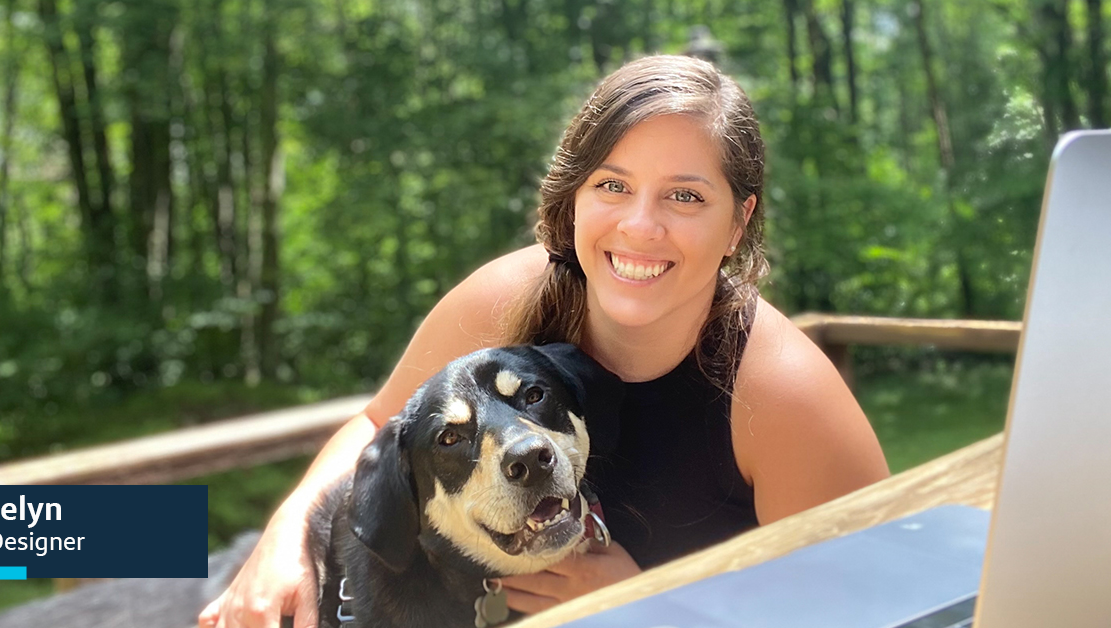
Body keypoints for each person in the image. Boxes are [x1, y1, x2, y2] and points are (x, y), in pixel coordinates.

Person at [199, 54, 889, 628]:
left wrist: (651, 609)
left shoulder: (781, 395)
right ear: (573, 198)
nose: (640, 227)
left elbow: (879, 603)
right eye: (612, 185)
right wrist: (282, 538)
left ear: (739, 223)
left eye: (685, 197)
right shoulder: (508, 299)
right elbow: (381, 423)